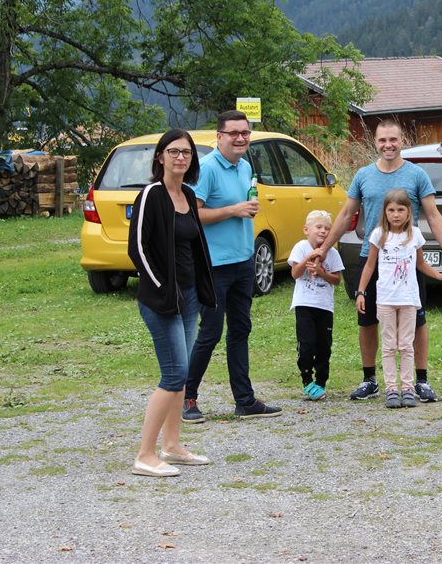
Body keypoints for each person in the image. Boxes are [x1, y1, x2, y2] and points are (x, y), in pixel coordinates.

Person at [312, 118, 442, 402]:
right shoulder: (363, 175)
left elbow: (433, 215)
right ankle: (370, 379)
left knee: (417, 320)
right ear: (375, 142)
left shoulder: (417, 175)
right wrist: (324, 249)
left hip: (406, 263)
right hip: (372, 258)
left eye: (393, 139)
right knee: (367, 320)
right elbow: (346, 215)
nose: (388, 145)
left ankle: (421, 381)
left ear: (402, 141)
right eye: (382, 140)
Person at [182, 110, 282, 422]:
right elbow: (193, 215)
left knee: (241, 329)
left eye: (245, 133)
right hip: (214, 266)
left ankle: (245, 401)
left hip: (243, 261)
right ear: (220, 137)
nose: (240, 138)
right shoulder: (207, 169)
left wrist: (245, 210)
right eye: (234, 133)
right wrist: (233, 210)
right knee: (211, 332)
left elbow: (243, 209)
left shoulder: (245, 166)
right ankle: (186, 397)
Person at [127, 129, 216, 477]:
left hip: (189, 297)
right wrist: (162, 288)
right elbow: (138, 248)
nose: (181, 157)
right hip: (162, 300)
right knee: (174, 373)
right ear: (160, 156)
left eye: (187, 153)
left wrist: (203, 287)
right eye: (174, 151)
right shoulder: (152, 194)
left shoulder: (188, 194)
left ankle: (173, 446)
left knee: (182, 373)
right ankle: (145, 455)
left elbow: (195, 246)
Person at [355, 189, 442, 408]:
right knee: (389, 345)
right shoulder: (378, 234)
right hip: (385, 299)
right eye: (391, 210)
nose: (396, 214)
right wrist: (361, 291)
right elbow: (370, 265)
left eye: (400, 210)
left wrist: (439, 275)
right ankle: (391, 389)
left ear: (409, 212)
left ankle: (407, 388)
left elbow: (421, 264)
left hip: (408, 299)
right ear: (385, 212)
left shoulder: (415, 234)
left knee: (406, 345)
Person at [288, 210, 344, 401]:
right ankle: (306, 380)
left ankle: (321, 382)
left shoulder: (333, 253)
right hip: (304, 304)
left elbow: (337, 280)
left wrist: (321, 272)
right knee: (307, 344)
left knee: (324, 346)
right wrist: (309, 258)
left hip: (324, 306)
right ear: (307, 229)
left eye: (327, 228)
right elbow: (295, 274)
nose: (323, 231)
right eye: (319, 227)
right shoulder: (301, 247)